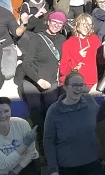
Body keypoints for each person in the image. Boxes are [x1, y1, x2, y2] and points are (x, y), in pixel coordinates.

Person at [44, 71, 105, 175]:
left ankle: (100, 170)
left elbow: (99, 117)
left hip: (90, 160)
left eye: (81, 85)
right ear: (65, 87)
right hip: (66, 164)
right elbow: (48, 140)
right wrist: (53, 170)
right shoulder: (54, 110)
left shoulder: (89, 100)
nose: (78, 88)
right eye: (74, 85)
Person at [17, 11, 67, 151]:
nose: (56, 25)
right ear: (48, 22)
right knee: (36, 108)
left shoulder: (62, 39)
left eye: (59, 23)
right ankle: (41, 144)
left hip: (50, 81)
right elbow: (26, 64)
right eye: (54, 22)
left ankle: (51, 143)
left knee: (51, 108)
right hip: (32, 80)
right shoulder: (37, 38)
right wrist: (38, 80)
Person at [59, 13, 102, 92]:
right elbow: (63, 70)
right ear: (77, 24)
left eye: (89, 24)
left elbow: (101, 61)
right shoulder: (68, 43)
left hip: (92, 84)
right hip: (73, 84)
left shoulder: (95, 39)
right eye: (84, 24)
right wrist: (78, 56)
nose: (87, 27)